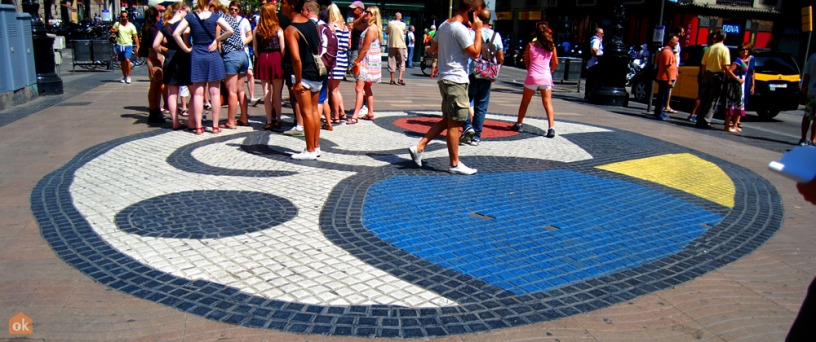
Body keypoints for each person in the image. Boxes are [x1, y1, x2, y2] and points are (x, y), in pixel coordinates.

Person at [407, 0, 484, 176]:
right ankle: (454, 163)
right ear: (471, 11)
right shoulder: (460, 29)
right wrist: (478, 30)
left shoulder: (444, 25)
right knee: (455, 123)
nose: (477, 17)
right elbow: (476, 53)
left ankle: (419, 147)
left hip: (445, 78)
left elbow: (432, 48)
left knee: (448, 119)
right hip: (456, 79)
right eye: (477, 13)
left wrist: (446, 55)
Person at [172, 0, 233, 135]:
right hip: (212, 53)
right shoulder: (215, 16)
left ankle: (199, 127)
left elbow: (176, 33)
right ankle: (215, 126)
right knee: (215, 93)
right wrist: (216, 40)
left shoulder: (191, 17)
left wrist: (186, 49)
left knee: (198, 93)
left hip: (197, 53)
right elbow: (230, 30)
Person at [282, 0, 323, 160]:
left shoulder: (290, 30)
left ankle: (310, 150)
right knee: (313, 112)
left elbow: (296, 59)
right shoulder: (311, 24)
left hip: (303, 75)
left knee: (306, 113)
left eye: (284, 2)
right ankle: (316, 146)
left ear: (291, 6)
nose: (281, 5)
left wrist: (298, 81)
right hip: (316, 72)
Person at [460, 8, 503, 146]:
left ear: (478, 18)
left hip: (471, 73)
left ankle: (467, 126)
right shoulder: (496, 36)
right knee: (481, 106)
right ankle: (476, 136)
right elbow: (500, 57)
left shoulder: (471, 33)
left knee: (463, 102)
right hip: (487, 74)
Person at [513, 21, 557, 138]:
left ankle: (519, 123)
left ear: (536, 32)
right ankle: (551, 128)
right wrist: (549, 71)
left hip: (533, 75)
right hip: (545, 76)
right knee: (548, 103)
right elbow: (556, 63)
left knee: (525, 102)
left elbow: (527, 63)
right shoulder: (551, 46)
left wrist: (531, 71)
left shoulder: (530, 46)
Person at [153, 2, 191, 130]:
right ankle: (193, 120)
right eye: (186, 12)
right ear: (180, 10)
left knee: (172, 92)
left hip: (170, 58)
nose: (187, 15)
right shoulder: (184, 25)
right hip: (184, 58)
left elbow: (155, 45)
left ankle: (175, 121)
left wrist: (166, 51)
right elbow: (186, 43)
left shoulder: (165, 26)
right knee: (192, 89)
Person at [216, 0, 252, 129]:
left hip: (231, 56)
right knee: (240, 90)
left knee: (231, 91)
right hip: (242, 54)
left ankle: (230, 121)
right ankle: (244, 118)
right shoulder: (231, 19)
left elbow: (218, 43)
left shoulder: (219, 20)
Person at [253, 2, 285, 130]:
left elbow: (255, 49)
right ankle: (278, 119)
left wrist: (260, 56)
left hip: (263, 58)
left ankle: (268, 121)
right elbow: (283, 48)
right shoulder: (278, 29)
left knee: (266, 92)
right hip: (276, 57)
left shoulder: (257, 30)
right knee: (277, 93)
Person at [349, 6, 382, 123]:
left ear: (374, 15)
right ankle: (370, 113)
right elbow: (355, 25)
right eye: (366, 12)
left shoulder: (371, 29)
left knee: (359, 89)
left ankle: (355, 116)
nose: (366, 14)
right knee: (367, 88)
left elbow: (365, 49)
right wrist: (363, 16)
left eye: (369, 13)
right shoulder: (368, 26)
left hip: (366, 61)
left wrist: (356, 61)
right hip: (367, 61)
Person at [696, 29, 735, 130]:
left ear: (716, 38)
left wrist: (703, 76)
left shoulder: (709, 48)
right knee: (713, 99)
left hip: (708, 74)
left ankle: (699, 118)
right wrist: (733, 76)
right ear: (725, 38)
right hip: (718, 75)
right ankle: (706, 120)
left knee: (704, 97)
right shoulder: (724, 49)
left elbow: (703, 64)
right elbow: (726, 66)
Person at [143, 7, 167, 123]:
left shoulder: (149, 28)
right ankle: (153, 110)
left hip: (154, 57)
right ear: (155, 16)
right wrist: (167, 50)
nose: (160, 16)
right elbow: (155, 45)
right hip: (155, 58)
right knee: (155, 86)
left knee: (157, 86)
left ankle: (156, 109)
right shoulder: (152, 29)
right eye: (159, 14)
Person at [723, 42, 754, 133]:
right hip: (735, 85)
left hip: (742, 85)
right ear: (739, 51)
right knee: (731, 104)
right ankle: (727, 125)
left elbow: (752, 72)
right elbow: (728, 71)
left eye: (746, 49)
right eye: (742, 50)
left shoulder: (747, 60)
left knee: (739, 105)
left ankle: (735, 125)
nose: (745, 51)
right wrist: (737, 79)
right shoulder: (737, 60)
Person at [327, 4, 349, 124]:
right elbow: (347, 45)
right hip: (343, 58)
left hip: (334, 58)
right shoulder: (345, 27)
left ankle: (335, 115)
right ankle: (342, 112)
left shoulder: (332, 26)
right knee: (336, 88)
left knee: (333, 89)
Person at [687, 32, 716, 123]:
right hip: (704, 75)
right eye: (714, 38)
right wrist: (703, 76)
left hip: (710, 75)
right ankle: (692, 114)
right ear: (710, 39)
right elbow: (703, 63)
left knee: (707, 97)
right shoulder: (706, 49)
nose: (715, 40)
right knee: (700, 95)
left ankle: (700, 115)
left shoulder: (714, 49)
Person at [110, 11, 139, 84]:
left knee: (127, 60)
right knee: (122, 62)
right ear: (121, 17)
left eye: (126, 16)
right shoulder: (118, 24)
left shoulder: (131, 26)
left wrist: (138, 46)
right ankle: (124, 76)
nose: (124, 18)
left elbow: (135, 36)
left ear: (128, 17)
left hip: (128, 45)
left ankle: (128, 76)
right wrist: (115, 30)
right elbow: (111, 30)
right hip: (120, 45)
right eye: (123, 16)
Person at [653, 35, 678, 121]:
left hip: (665, 77)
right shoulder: (667, 52)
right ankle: (659, 112)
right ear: (670, 41)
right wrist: (670, 79)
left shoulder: (666, 50)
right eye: (675, 41)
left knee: (663, 95)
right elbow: (667, 67)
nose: (677, 43)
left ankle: (659, 112)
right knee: (662, 96)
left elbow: (657, 61)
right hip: (665, 78)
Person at [664, 26, 684, 114]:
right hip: (673, 67)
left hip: (673, 67)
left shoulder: (676, 43)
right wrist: (675, 69)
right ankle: (666, 106)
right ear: (679, 33)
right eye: (683, 32)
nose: (684, 33)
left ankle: (666, 105)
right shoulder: (676, 44)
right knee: (670, 87)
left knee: (669, 88)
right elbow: (674, 56)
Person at [799, 52, 816, 146]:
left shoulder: (812, 57)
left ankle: (803, 138)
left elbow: (806, 74)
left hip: (811, 91)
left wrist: (804, 87)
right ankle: (813, 140)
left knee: (807, 116)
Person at [386, 12, 407, 85]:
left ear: (394, 17)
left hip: (392, 44)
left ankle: (392, 79)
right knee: (402, 61)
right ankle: (400, 78)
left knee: (391, 61)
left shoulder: (390, 23)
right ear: (400, 18)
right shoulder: (403, 24)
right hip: (401, 44)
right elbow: (404, 33)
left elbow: (387, 32)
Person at [584, 27, 603, 100]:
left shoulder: (592, 39)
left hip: (591, 63)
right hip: (594, 64)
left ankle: (587, 95)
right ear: (597, 33)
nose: (603, 35)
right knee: (592, 80)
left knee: (590, 80)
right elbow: (594, 49)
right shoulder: (596, 40)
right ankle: (589, 95)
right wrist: (596, 57)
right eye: (601, 33)